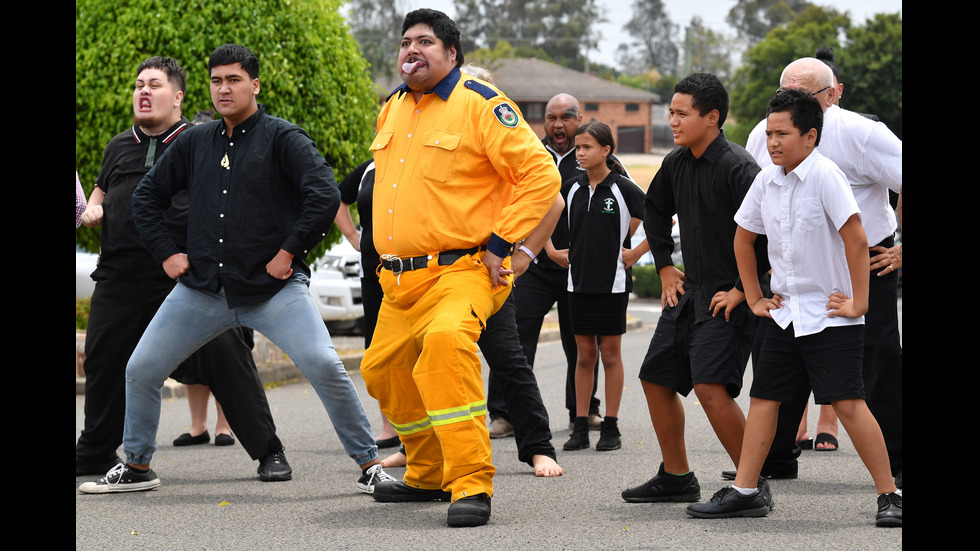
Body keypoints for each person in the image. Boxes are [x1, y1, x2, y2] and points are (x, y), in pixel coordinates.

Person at [78, 45, 393, 495]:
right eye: (216, 81)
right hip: (204, 289)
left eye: (233, 80)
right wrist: (168, 253)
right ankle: (138, 466)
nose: (224, 89)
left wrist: (288, 252)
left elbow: (323, 196)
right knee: (142, 368)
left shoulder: (284, 138)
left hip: (273, 289)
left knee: (325, 364)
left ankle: (369, 465)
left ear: (254, 85)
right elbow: (147, 197)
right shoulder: (194, 142)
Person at [361, 9, 560, 527]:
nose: (412, 50)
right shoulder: (393, 110)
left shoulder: (480, 103)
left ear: (452, 53)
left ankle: (471, 482)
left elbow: (540, 175)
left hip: (461, 272)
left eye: (425, 41)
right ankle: (427, 472)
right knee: (382, 369)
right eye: (405, 42)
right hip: (398, 279)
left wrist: (502, 242)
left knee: (448, 348)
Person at [687, 88, 901, 527]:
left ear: (810, 135)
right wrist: (753, 296)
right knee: (765, 399)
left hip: (829, 314)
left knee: (848, 403)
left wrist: (859, 302)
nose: (773, 143)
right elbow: (743, 239)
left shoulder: (826, 176)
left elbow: (857, 240)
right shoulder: (768, 179)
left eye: (783, 134)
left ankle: (891, 495)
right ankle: (746, 491)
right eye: (769, 134)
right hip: (785, 313)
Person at [75, 56, 289, 483]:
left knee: (227, 356)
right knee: (103, 362)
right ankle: (97, 452)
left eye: (153, 85)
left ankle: (269, 451)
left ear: (177, 97)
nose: (143, 92)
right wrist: (94, 207)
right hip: (119, 276)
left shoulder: (202, 140)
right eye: (138, 84)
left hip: (184, 278)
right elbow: (100, 190)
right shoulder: (118, 145)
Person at [742, 57, 903, 486]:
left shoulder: (861, 134)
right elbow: (754, 207)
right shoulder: (764, 134)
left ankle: (894, 470)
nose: (791, 103)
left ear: (833, 94)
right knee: (776, 368)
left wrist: (901, 250)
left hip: (864, 260)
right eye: (784, 94)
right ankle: (772, 461)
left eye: (804, 94)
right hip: (796, 268)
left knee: (876, 364)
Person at [622, 73, 764, 504]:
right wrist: (664, 266)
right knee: (656, 379)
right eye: (671, 112)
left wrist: (744, 290)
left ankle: (749, 487)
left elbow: (769, 234)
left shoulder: (739, 167)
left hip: (730, 297)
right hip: (689, 293)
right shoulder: (675, 163)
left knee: (710, 388)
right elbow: (655, 209)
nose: (672, 122)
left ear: (712, 117)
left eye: (682, 114)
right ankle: (677, 475)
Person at [499, 93, 604, 435]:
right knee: (513, 339)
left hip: (580, 272)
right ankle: (505, 414)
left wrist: (609, 251)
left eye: (567, 117)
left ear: (580, 117)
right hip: (533, 267)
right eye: (551, 117)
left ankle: (584, 411)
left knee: (581, 344)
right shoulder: (529, 154)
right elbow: (513, 203)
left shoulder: (596, 154)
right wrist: (547, 250)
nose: (558, 125)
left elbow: (629, 201)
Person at [560, 121, 646, 452]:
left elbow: (661, 218)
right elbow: (546, 217)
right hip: (577, 284)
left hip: (613, 285)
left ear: (606, 151)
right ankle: (580, 426)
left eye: (587, 147)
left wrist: (635, 252)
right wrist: (553, 252)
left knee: (609, 354)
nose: (580, 153)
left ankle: (611, 426)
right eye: (577, 147)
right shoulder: (571, 188)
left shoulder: (623, 188)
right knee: (584, 355)